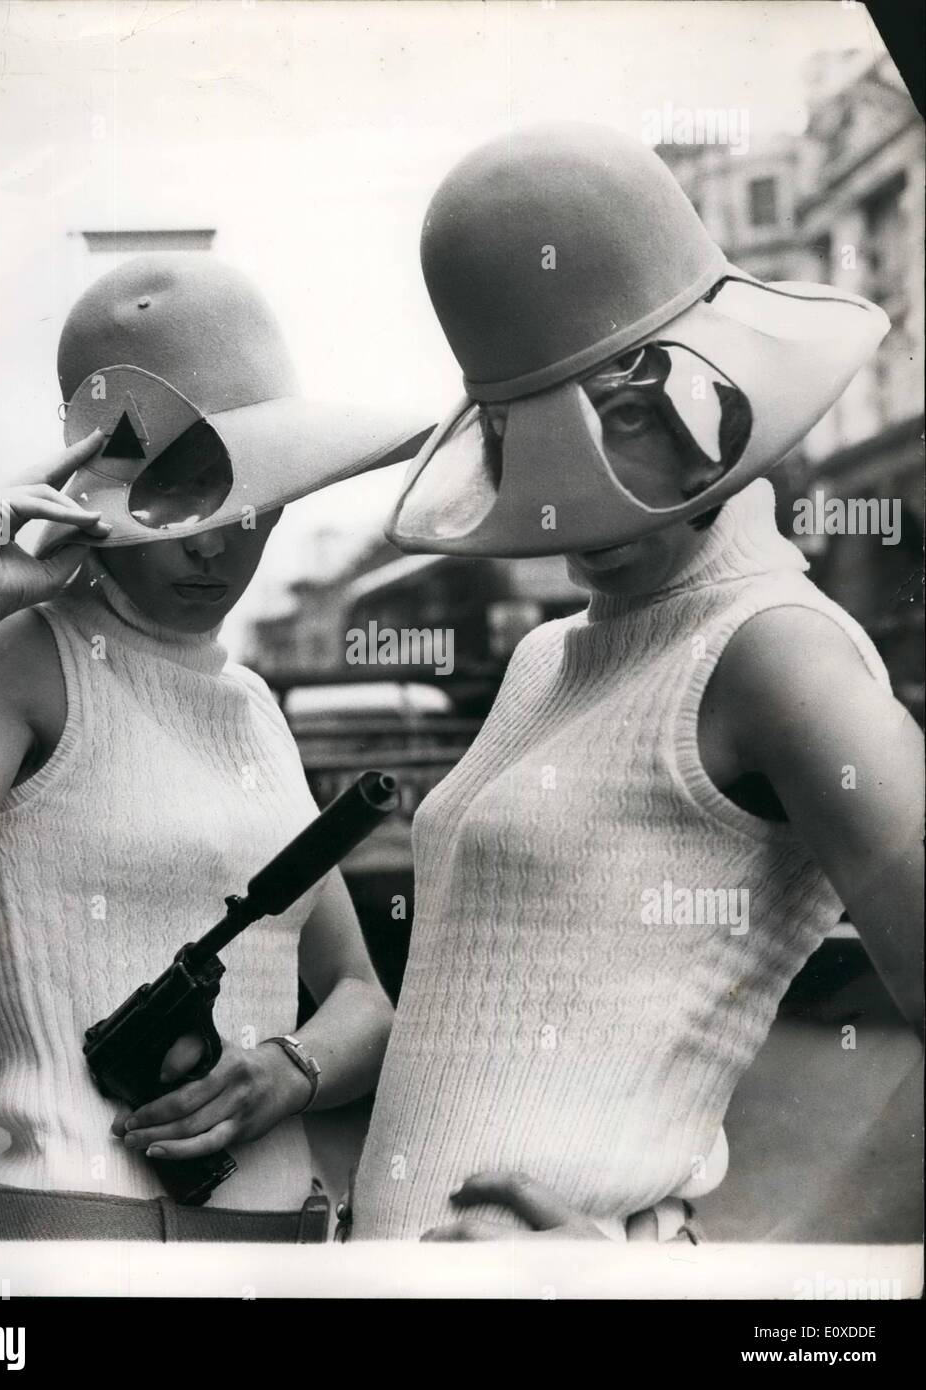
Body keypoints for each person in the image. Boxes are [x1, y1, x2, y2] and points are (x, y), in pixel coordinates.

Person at [352, 124, 923, 1243]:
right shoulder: (543, 658)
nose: (582, 511)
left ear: (711, 396)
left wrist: (726, 1293)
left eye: (628, 422)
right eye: (530, 449)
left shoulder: (777, 650)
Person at [0, 253, 431, 1242]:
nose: (213, 547)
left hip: (286, 1239)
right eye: (175, 509)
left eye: (246, 502)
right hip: (88, 1238)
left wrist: (285, 1073)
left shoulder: (256, 706)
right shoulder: (30, 663)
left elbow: (359, 996)